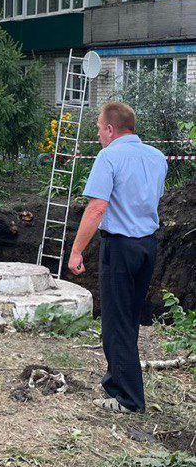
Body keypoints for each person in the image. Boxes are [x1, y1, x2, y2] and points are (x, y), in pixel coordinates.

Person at [68, 101, 167, 413]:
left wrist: (76, 250)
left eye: (99, 128)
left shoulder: (109, 156)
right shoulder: (157, 157)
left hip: (121, 247)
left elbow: (98, 207)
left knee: (115, 321)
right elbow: (153, 198)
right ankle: (116, 382)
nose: (98, 134)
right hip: (147, 246)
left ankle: (128, 398)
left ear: (110, 129)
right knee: (129, 318)